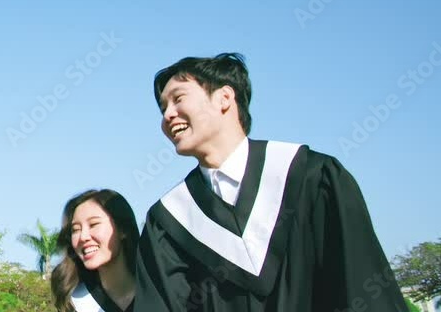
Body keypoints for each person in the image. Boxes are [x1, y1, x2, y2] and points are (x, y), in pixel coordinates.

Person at [134, 53, 409, 311]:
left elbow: (363, 288)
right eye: (163, 108)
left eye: (178, 99)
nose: (167, 115)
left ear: (224, 98)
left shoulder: (311, 177)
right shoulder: (169, 220)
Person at [51, 189, 138, 312]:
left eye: (93, 224)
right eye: (75, 230)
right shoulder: (75, 302)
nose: (83, 237)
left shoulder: (159, 290)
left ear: (123, 229)